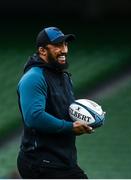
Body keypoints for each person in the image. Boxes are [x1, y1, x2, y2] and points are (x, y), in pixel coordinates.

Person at [17, 26, 94, 179]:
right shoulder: (34, 77)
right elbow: (34, 117)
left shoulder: (63, 77)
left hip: (63, 161)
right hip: (40, 163)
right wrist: (70, 127)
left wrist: (89, 116)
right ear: (42, 51)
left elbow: (64, 111)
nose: (64, 50)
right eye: (58, 45)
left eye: (65, 44)